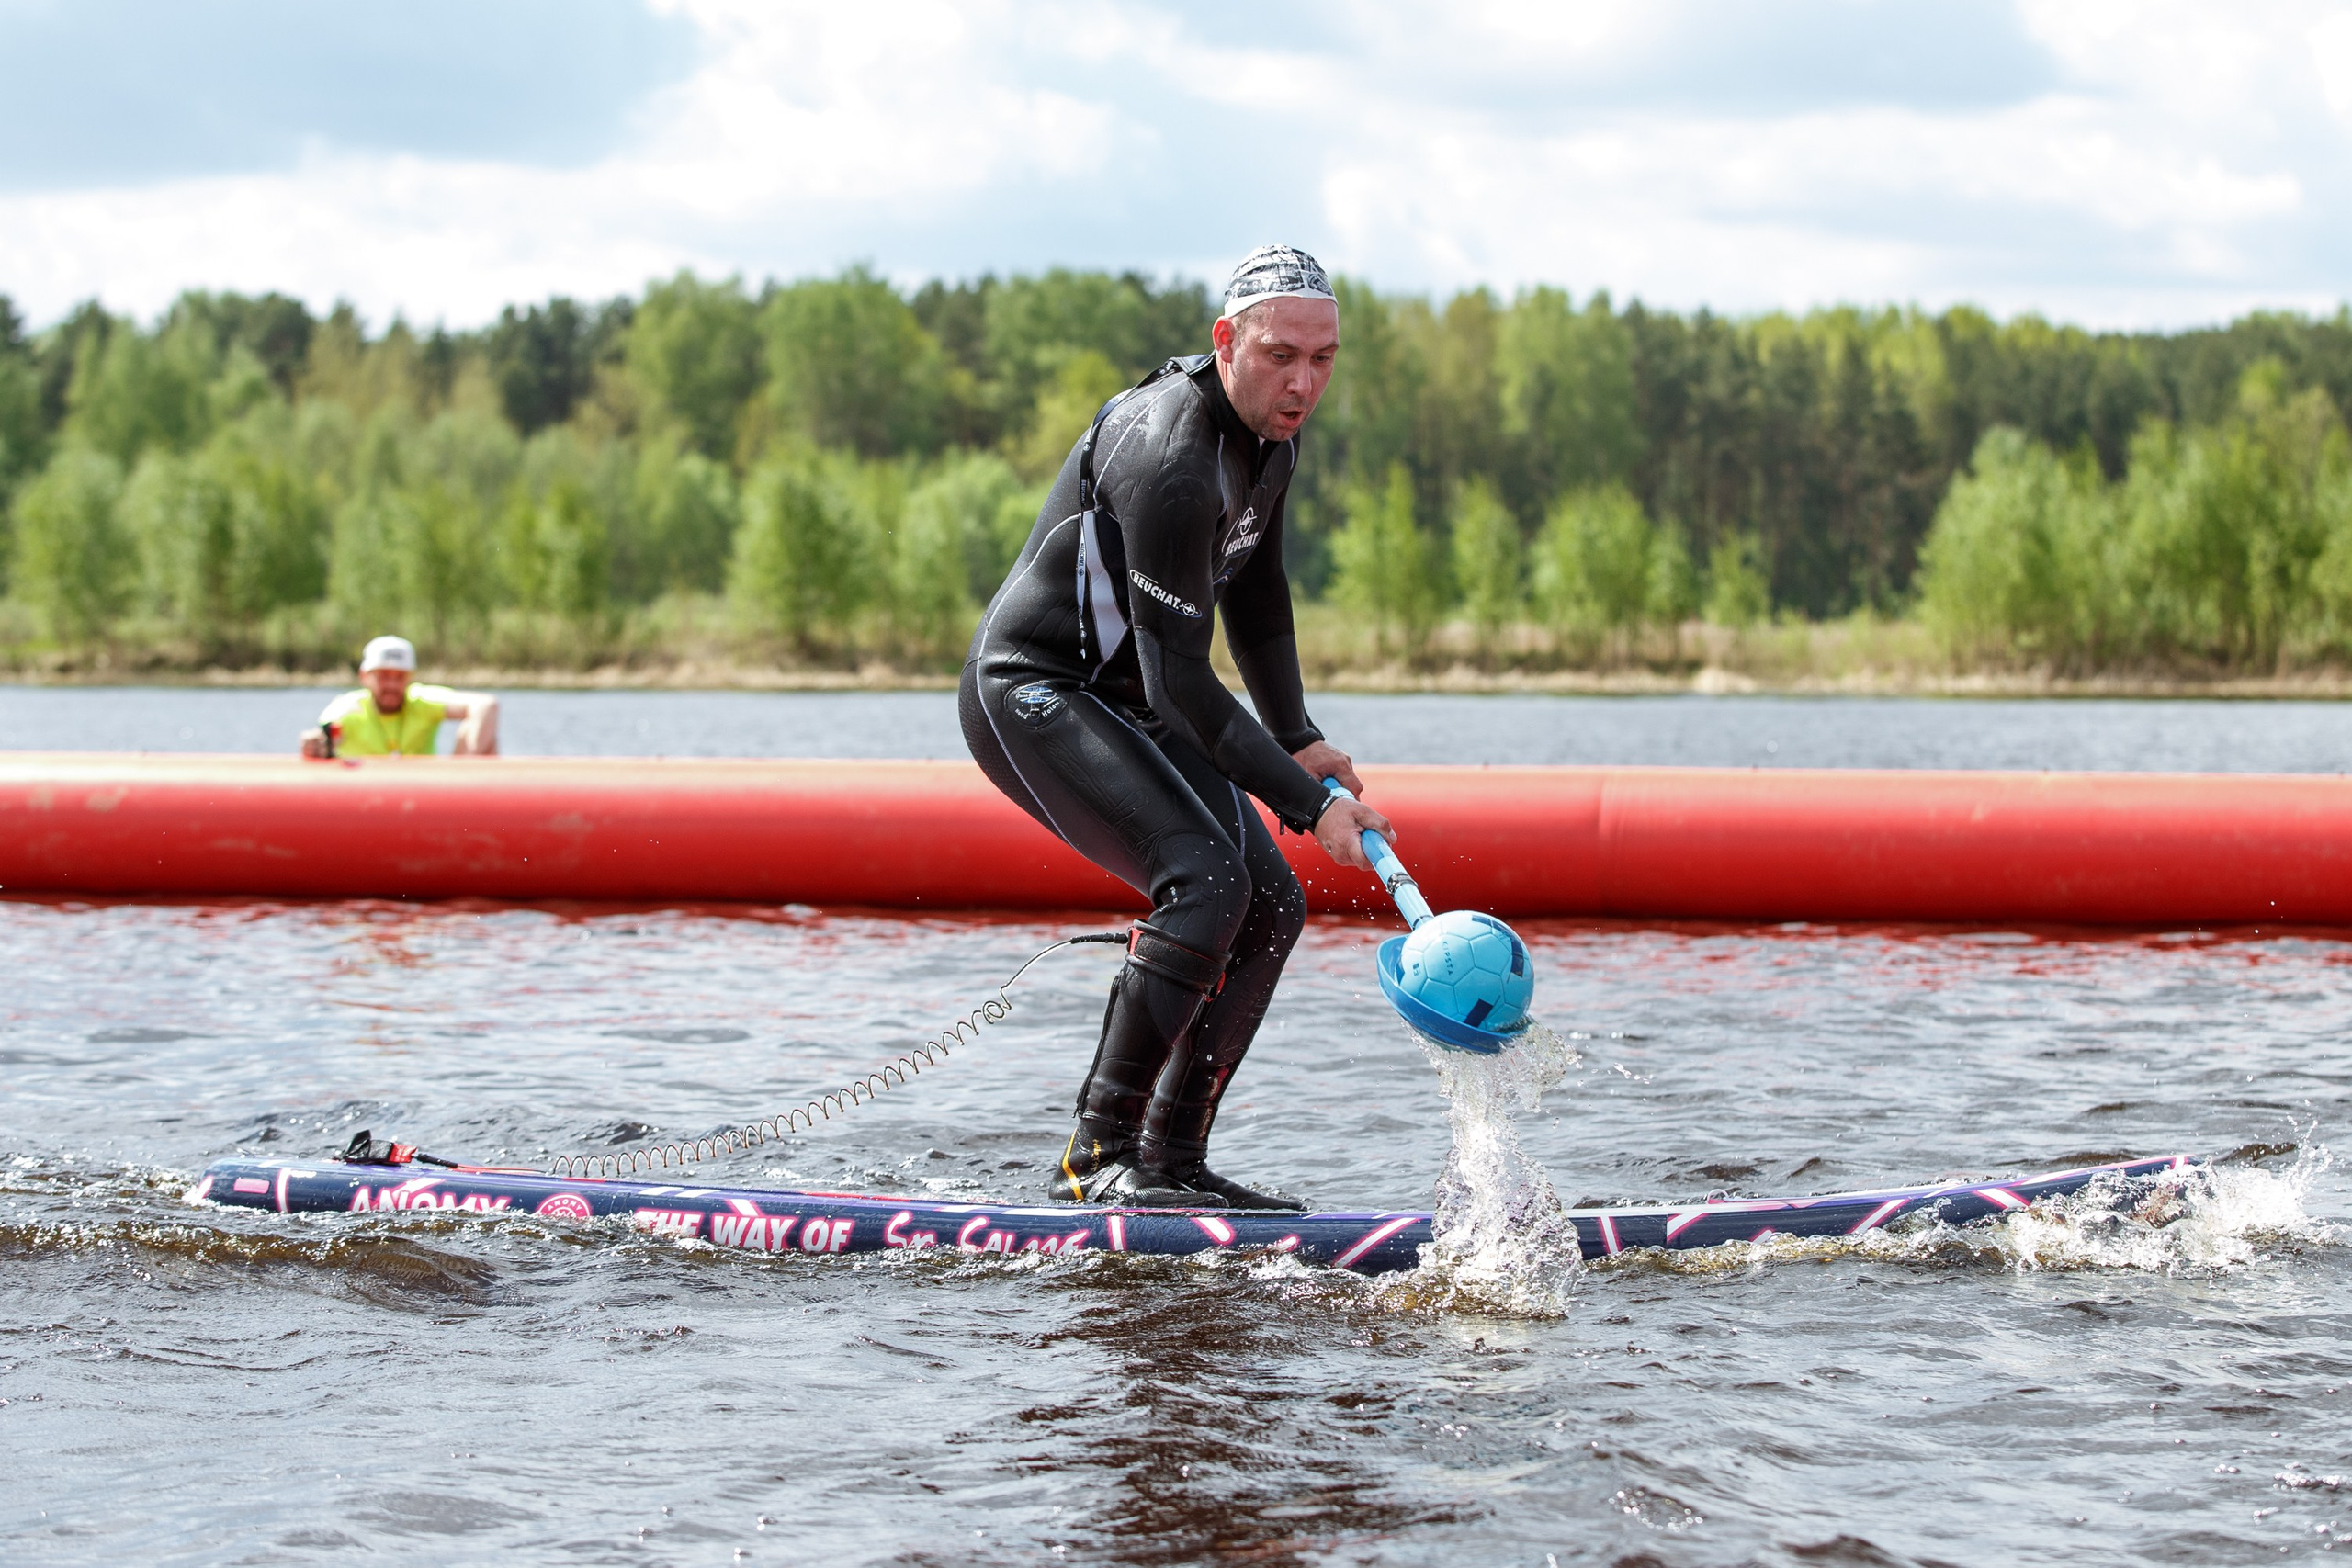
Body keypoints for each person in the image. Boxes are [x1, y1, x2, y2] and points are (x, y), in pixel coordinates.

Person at [960, 244, 1396, 1212]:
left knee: (1270, 905)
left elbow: (1260, 586)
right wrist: (1303, 803)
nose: (1304, 382)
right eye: (1282, 356)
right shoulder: (1172, 458)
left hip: (1133, 695)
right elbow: (1181, 688)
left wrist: (1295, 736)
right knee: (1203, 881)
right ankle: (1097, 1157)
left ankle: (1170, 1160)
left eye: (1323, 359)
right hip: (1039, 688)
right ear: (1225, 342)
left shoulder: (1272, 434)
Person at [298, 636, 500, 758]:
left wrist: (466, 767)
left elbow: (486, 705)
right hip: (365, 802)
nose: (392, 685)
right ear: (364, 677)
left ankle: (466, 806)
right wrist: (313, 744)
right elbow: (320, 735)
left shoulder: (420, 700)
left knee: (478, 731)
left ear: (410, 677)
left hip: (422, 801)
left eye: (400, 677)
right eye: (384, 676)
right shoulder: (347, 708)